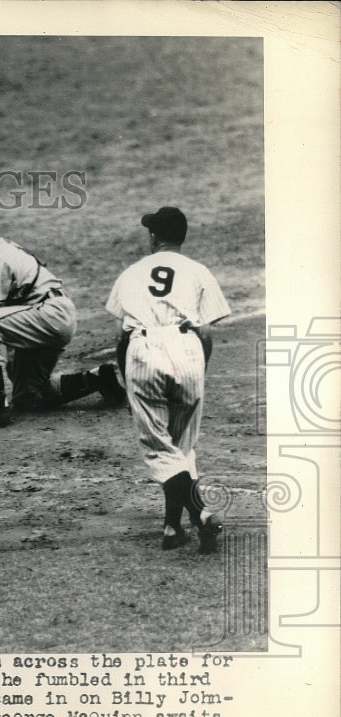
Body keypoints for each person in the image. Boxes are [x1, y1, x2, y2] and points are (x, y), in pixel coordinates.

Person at [105, 206, 230, 553]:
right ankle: (172, 528)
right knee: (181, 448)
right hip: (189, 350)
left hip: (144, 350)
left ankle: (200, 512)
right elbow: (205, 332)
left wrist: (127, 377)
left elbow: (119, 337)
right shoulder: (198, 271)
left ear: (155, 237)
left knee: (160, 449)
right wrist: (196, 369)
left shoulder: (131, 273)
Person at [0, 209, 124, 430]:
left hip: (49, 314)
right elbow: (4, 318)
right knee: (28, 397)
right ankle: (99, 378)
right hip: (43, 317)